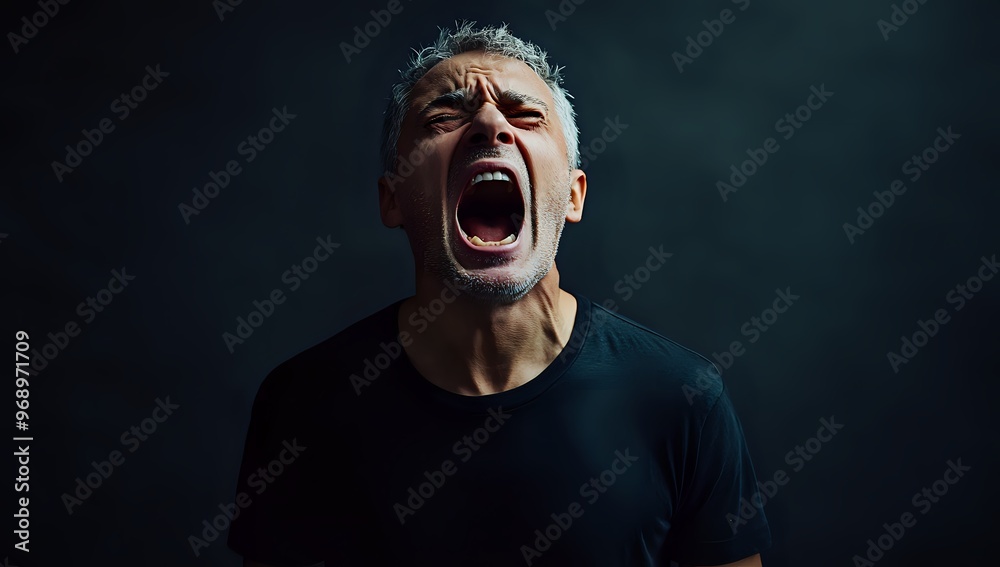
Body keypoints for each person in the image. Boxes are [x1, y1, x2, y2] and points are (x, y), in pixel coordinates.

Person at [227, 21, 771, 567]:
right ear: (392, 200)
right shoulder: (303, 405)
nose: (489, 123)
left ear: (574, 196)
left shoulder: (684, 399)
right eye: (444, 117)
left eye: (525, 114)